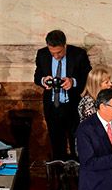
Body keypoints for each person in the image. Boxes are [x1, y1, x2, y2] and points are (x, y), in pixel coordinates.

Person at [34, 29, 92, 160]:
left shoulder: (79, 55)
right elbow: (37, 76)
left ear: (65, 45)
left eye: (59, 52)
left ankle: (77, 174)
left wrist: (73, 82)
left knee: (76, 141)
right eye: (52, 52)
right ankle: (60, 175)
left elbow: (88, 77)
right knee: (56, 142)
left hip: (73, 107)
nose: (55, 56)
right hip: (52, 107)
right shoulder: (42, 54)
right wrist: (44, 80)